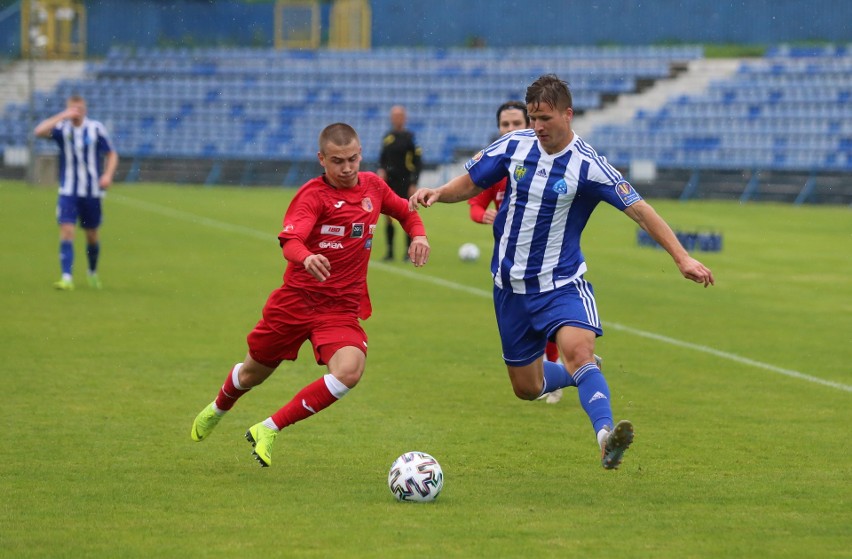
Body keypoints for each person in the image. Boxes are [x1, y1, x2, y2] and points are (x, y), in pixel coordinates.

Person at [410, 74, 714, 470]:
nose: (537, 126)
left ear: (568, 115)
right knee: (527, 387)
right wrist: (439, 193)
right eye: (533, 117)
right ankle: (582, 376)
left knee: (578, 351)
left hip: (561, 284)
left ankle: (606, 438)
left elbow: (639, 209)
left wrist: (682, 258)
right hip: (510, 288)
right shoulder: (514, 146)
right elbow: (471, 182)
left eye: (545, 118)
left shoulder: (588, 165)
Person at [191, 123, 430, 468]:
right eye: (337, 161)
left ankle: (269, 428)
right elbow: (290, 241)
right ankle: (218, 407)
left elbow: (406, 211)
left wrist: (419, 236)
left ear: (361, 154)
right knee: (251, 374)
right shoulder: (312, 196)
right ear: (321, 159)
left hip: (340, 309)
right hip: (295, 303)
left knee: (350, 370)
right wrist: (307, 256)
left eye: (352, 159)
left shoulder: (373, 187)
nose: (347, 168)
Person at [34, 94, 118, 290]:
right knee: (67, 230)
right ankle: (67, 277)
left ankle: (92, 272)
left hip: (92, 192)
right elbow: (38, 131)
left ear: (85, 110)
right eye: (72, 108)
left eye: (78, 109)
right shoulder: (63, 129)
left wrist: (107, 175)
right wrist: (63, 115)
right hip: (68, 190)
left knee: (92, 235)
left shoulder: (95, 128)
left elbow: (112, 153)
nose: (75, 112)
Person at [377, 105, 423, 261]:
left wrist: (413, 182)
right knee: (388, 217)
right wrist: (382, 170)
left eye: (400, 115)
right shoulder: (387, 136)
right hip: (389, 182)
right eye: (394, 115)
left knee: (406, 214)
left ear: (404, 118)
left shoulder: (410, 137)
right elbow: (383, 158)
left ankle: (408, 252)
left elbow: (417, 161)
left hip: (405, 181)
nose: (397, 118)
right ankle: (390, 252)